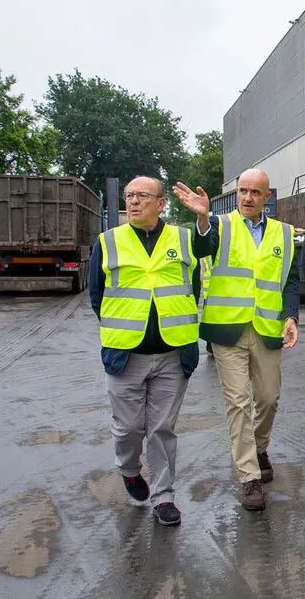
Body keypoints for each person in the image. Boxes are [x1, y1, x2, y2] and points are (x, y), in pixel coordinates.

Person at [173, 170, 301, 512]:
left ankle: (259, 447)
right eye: (243, 190)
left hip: (268, 329)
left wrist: (291, 316)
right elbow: (201, 247)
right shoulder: (219, 225)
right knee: (238, 402)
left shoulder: (284, 233)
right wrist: (202, 218)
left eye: (255, 192)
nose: (248, 197)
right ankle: (249, 477)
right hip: (228, 329)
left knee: (269, 398)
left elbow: (289, 281)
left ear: (267, 196)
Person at [89, 176, 209, 526]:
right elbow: (97, 295)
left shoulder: (183, 239)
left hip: (172, 354)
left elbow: (194, 286)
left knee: (161, 429)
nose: (134, 201)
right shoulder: (108, 241)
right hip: (126, 355)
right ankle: (129, 470)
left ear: (161, 203)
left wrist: (203, 217)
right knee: (128, 428)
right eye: (129, 196)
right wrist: (124, 325)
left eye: (142, 195)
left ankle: (163, 497)